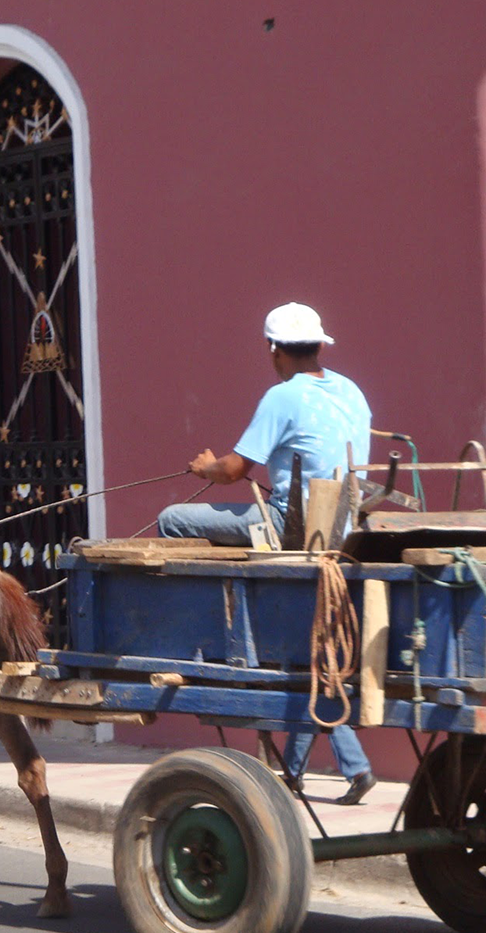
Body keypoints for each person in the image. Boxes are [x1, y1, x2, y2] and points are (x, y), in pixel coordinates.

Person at [157, 300, 377, 805]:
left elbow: (234, 469)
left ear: (274, 350)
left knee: (173, 519)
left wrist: (205, 467)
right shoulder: (352, 392)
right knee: (307, 659)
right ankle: (308, 770)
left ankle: (210, 629)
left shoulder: (283, 396)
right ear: (321, 346)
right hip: (344, 528)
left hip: (289, 526)